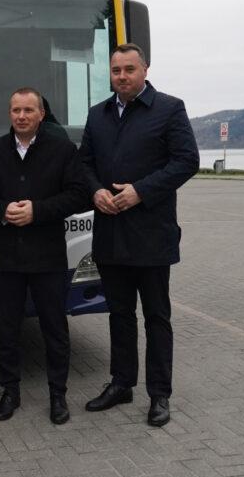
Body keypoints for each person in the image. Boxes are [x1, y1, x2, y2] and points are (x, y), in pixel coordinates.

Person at [79, 43, 199, 427]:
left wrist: (140, 192)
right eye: (116, 70)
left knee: (156, 317)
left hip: (151, 234)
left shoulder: (169, 108)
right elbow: (83, 164)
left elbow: (187, 161)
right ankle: (121, 383)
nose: (122, 76)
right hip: (110, 233)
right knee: (119, 314)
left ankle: (159, 394)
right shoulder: (98, 115)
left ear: (145, 69)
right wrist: (96, 190)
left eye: (129, 69)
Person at [0, 87, 88, 424]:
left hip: (48, 256)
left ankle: (58, 394)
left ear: (40, 114)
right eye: (15, 110)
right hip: (6, 257)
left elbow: (79, 195)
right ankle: (10, 391)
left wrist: (38, 211)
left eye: (28, 110)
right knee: (6, 329)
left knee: (55, 328)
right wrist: (3, 211)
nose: (21, 116)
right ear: (9, 114)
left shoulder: (63, 150)